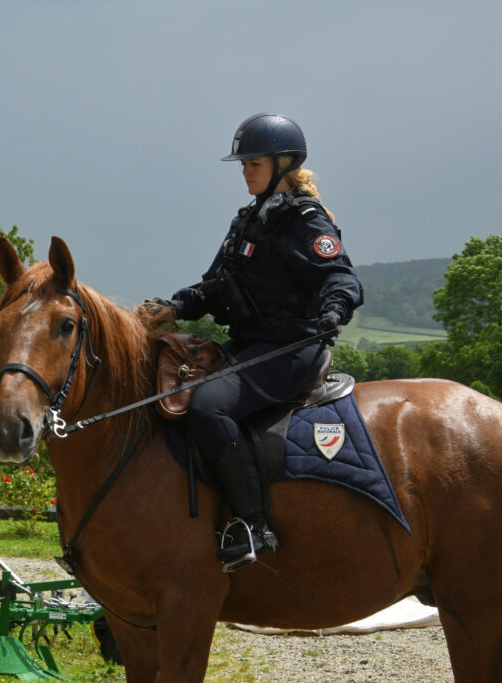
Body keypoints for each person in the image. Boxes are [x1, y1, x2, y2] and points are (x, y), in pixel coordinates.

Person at [158, 113, 363, 572]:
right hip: (250, 346)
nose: (246, 170)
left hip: (292, 350)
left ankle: (253, 526)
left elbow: (341, 277)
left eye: (254, 161)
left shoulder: (303, 218)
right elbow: (216, 285)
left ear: (283, 162)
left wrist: (334, 311)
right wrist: (175, 305)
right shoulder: (248, 220)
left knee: (208, 405)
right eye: (243, 163)